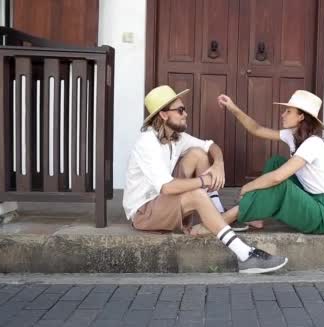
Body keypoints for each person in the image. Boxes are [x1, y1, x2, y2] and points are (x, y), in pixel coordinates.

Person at [122, 85, 288, 273]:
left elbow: (211, 146)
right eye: (180, 110)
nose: (186, 114)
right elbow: (166, 188)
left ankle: (217, 216)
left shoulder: (176, 137)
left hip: (163, 202)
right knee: (197, 194)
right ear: (163, 115)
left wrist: (218, 163)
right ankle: (245, 255)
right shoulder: (147, 143)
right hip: (144, 212)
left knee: (198, 154)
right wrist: (203, 181)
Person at [217, 90, 324, 234]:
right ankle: (256, 216)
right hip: (309, 197)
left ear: (301, 116)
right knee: (276, 162)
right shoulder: (292, 135)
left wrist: (247, 187)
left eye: (288, 111)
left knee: (279, 182)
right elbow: (256, 129)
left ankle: (224, 219)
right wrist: (232, 107)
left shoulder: (313, 143)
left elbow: (277, 178)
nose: (283, 114)